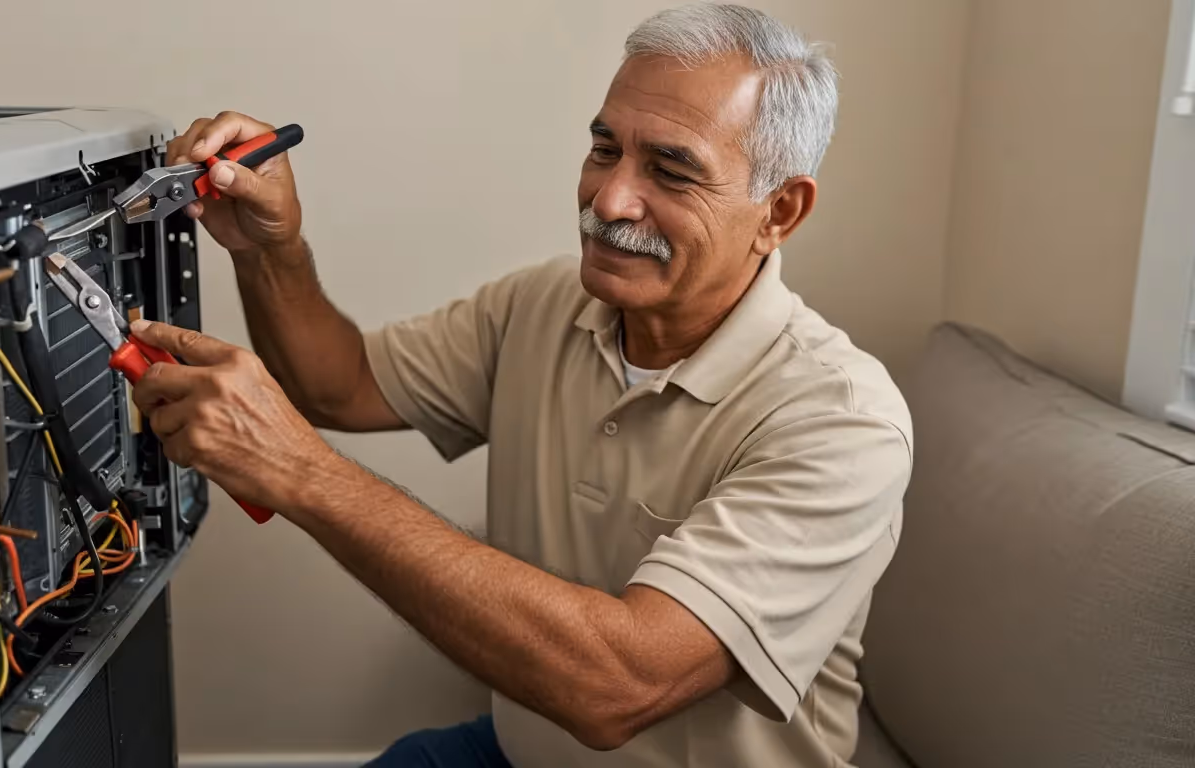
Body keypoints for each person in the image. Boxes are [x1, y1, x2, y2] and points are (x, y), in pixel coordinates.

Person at [128, 3, 913, 766]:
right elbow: (341, 387)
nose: (608, 201)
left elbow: (615, 687)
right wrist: (272, 248)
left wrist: (298, 470)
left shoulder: (843, 423)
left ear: (779, 211)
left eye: (671, 171)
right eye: (606, 150)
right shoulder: (544, 304)